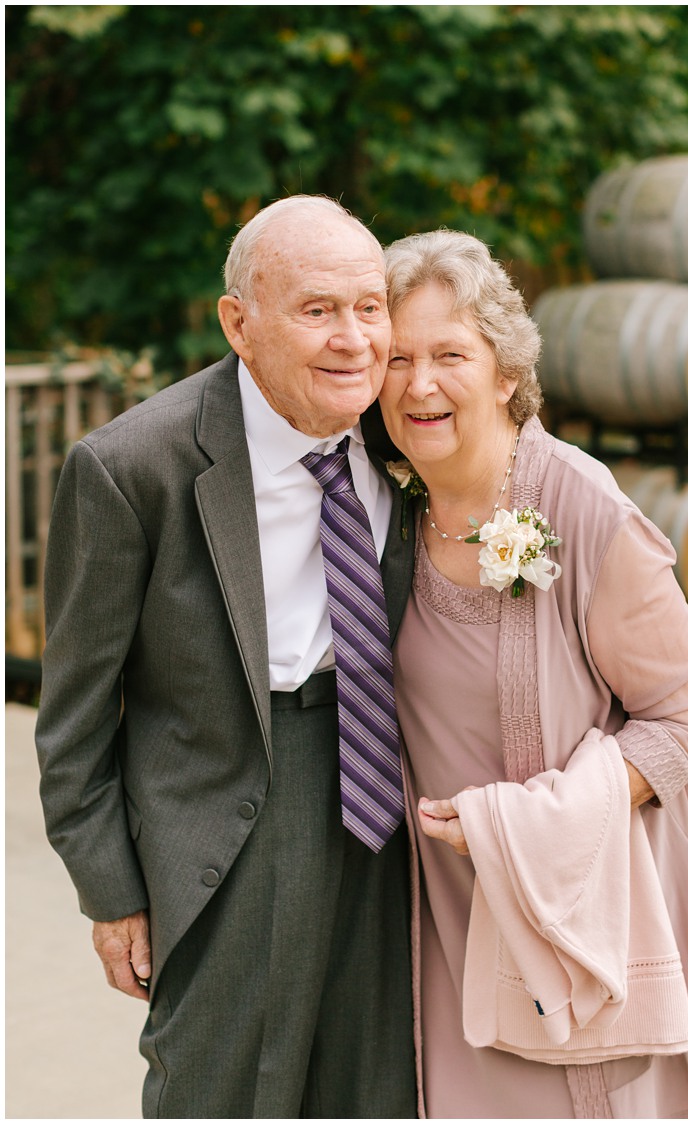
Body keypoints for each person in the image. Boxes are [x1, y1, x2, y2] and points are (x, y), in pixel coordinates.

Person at [35, 196, 418, 1116]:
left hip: (396, 806)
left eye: (371, 307)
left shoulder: (406, 434)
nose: (356, 339)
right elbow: (75, 716)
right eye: (318, 309)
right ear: (238, 323)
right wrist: (110, 892)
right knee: (224, 1093)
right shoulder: (133, 468)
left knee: (378, 1090)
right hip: (231, 820)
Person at [371, 229, 688, 1118]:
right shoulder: (388, 511)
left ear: (505, 372)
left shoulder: (582, 505)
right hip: (449, 922)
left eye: (448, 354)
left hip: (570, 920)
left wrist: (529, 825)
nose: (419, 384)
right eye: (397, 359)